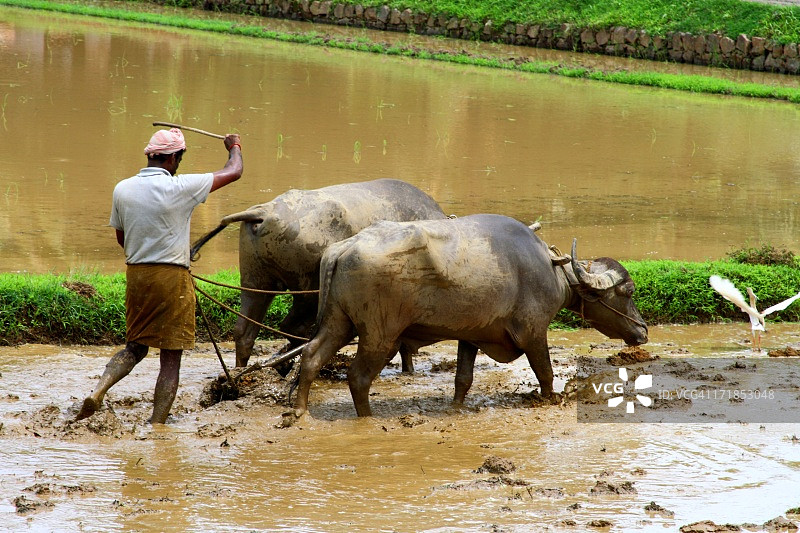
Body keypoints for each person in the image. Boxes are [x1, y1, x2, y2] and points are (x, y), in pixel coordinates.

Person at [75, 127, 243, 424]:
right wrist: (234, 146)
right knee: (170, 358)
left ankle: (99, 390)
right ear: (173, 158)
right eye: (180, 158)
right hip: (171, 278)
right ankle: (157, 424)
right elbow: (234, 171)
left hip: (137, 275)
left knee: (135, 347)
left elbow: (121, 238)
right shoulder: (180, 187)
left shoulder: (122, 189)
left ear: (150, 156)